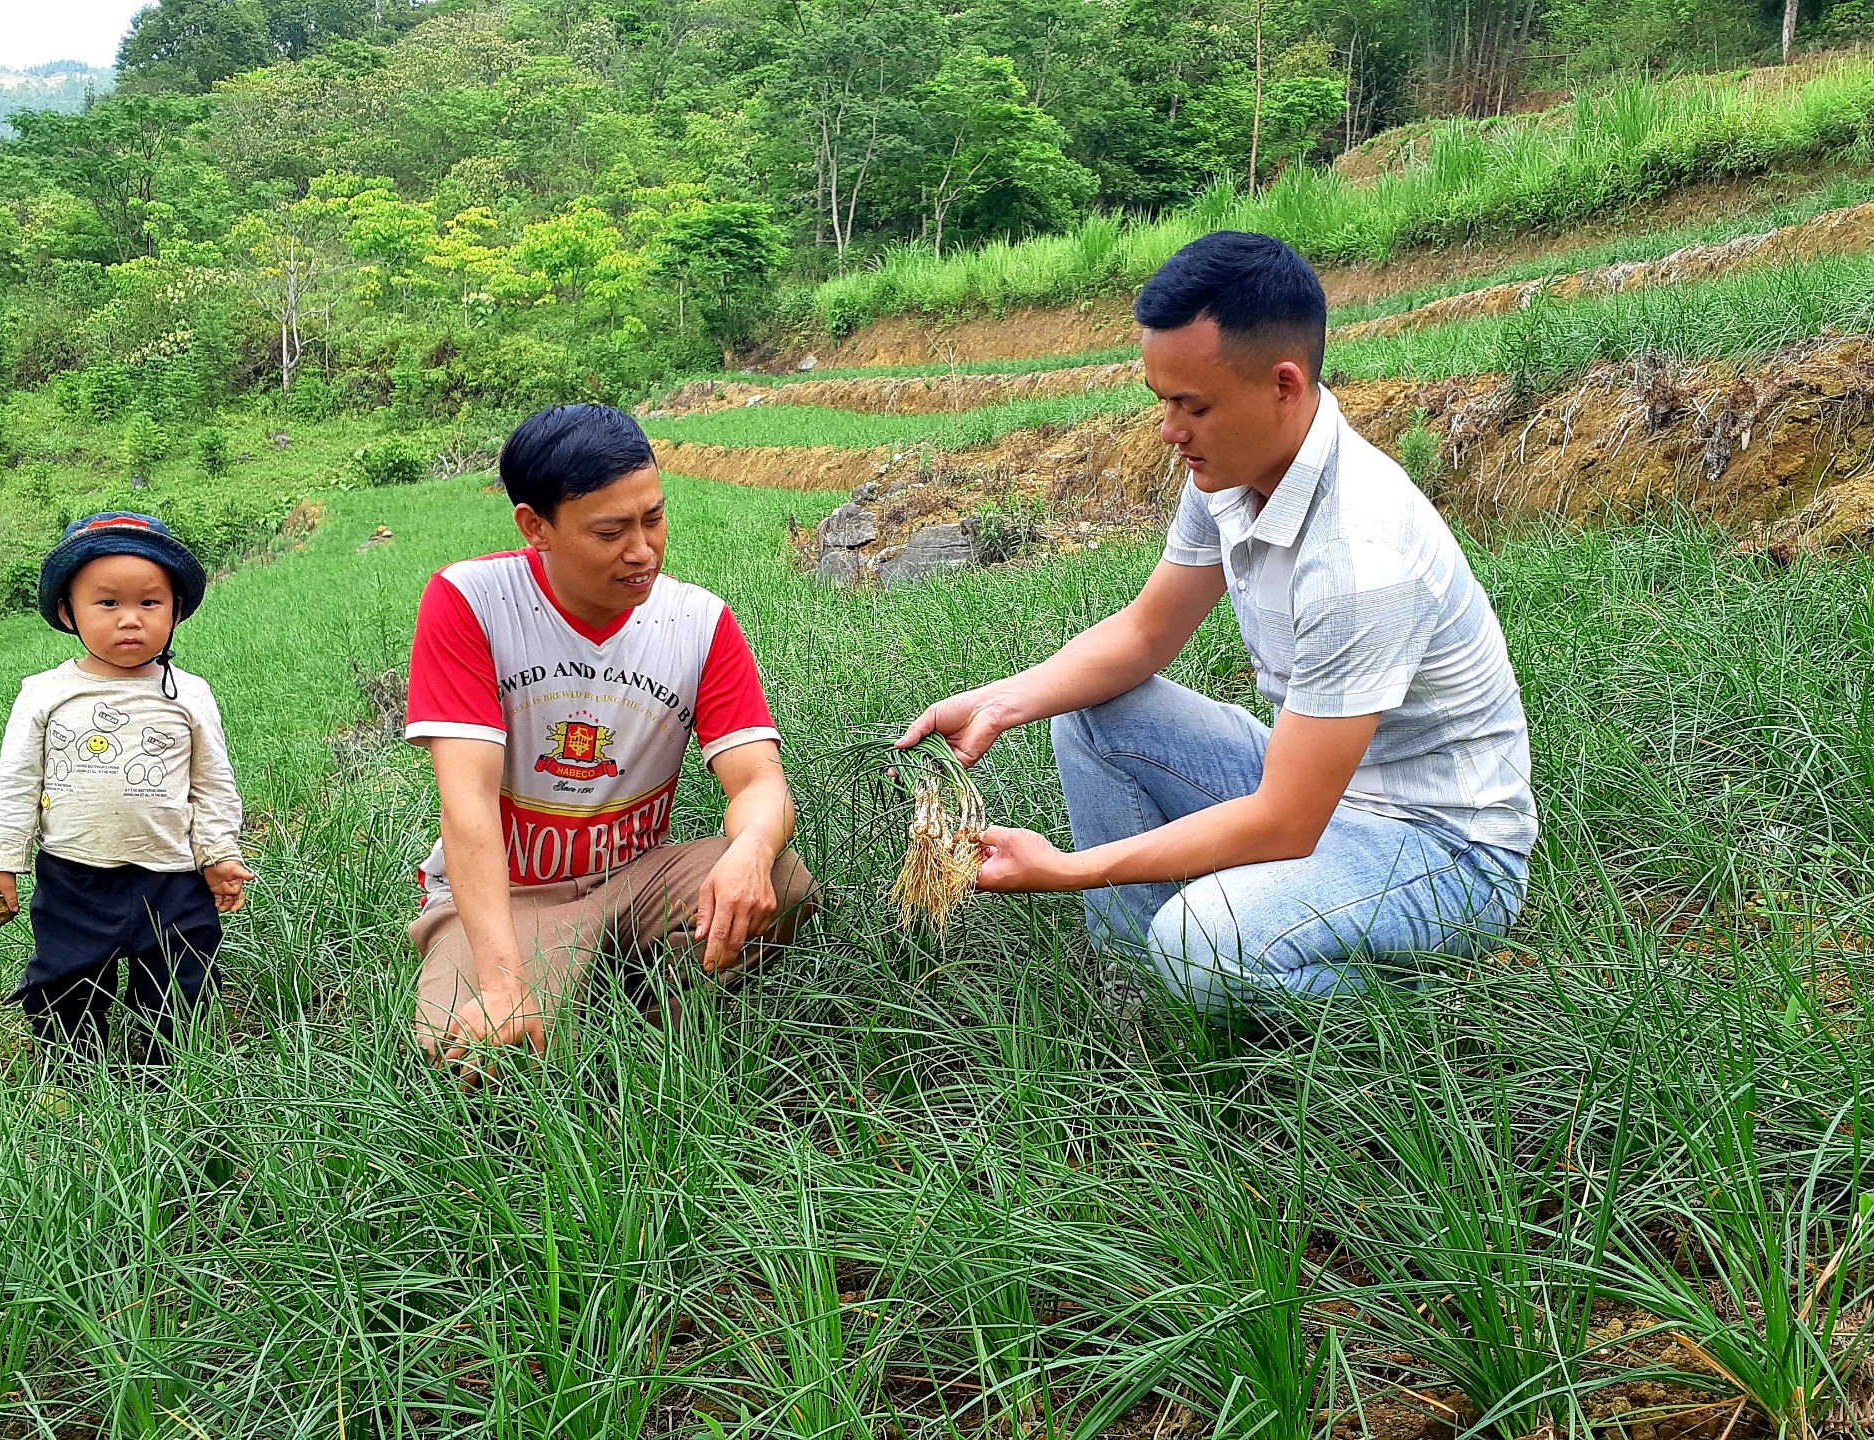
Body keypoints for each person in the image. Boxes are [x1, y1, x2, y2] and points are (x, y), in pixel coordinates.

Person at [899, 231, 1536, 1016]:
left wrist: (1067, 869)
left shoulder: (1361, 557)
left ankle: (1422, 1003)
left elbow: (1285, 821)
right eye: (1162, 401)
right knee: (1091, 714)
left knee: (1203, 943)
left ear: (1283, 384)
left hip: (1438, 847)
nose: (1170, 431)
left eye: (1191, 405)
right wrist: (1003, 701)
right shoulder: (1229, 476)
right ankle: (1141, 991)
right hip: (1311, 780)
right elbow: (1144, 633)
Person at [404, 403, 816, 1062]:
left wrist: (751, 849)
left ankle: (656, 1040)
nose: (642, 550)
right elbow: (468, 802)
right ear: (534, 525)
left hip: (634, 879)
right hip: (511, 897)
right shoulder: (473, 602)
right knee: (471, 1056)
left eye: (653, 518)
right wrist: (504, 982)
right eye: (610, 530)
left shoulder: (698, 622)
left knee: (783, 881)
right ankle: (548, 995)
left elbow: (759, 781)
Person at [0, 513, 254, 1068]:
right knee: (64, 982)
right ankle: (76, 1075)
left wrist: (219, 855)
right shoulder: (45, 693)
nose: (130, 620)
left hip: (173, 875)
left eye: (150, 603)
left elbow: (213, 783)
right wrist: (0, 865)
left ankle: (165, 1074)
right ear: (66, 611)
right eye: (107, 604)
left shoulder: (189, 693)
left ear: (176, 610)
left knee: (180, 980)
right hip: (74, 873)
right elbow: (16, 784)